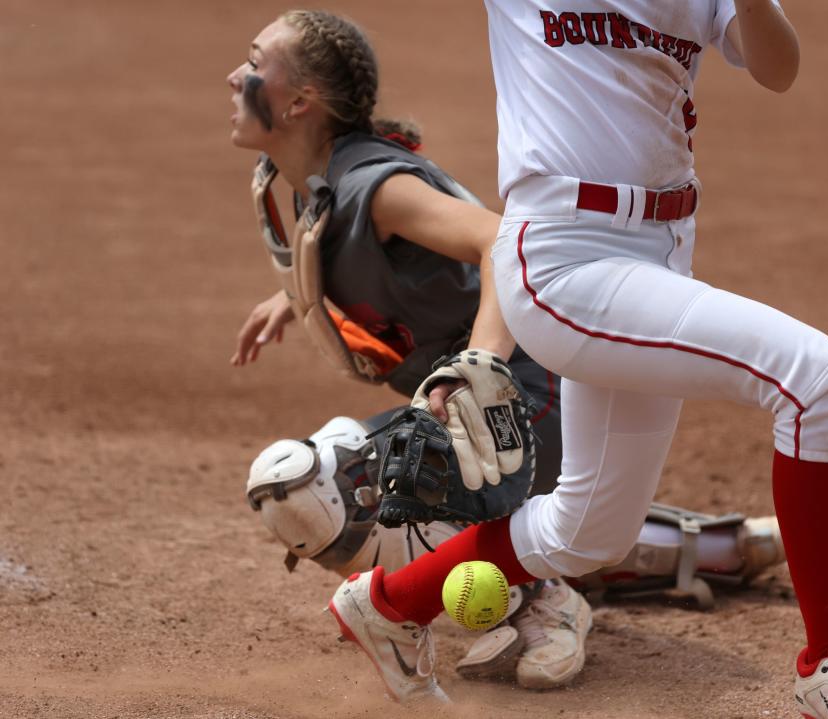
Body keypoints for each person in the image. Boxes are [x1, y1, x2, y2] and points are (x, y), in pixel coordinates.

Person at [323, 3, 828, 717]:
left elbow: (779, 69)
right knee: (815, 381)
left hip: (657, 256)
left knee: (589, 529)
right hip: (561, 261)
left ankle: (387, 604)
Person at [226, 10, 788, 695]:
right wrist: (299, 296)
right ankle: (669, 551)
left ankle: (542, 597)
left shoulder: (374, 188)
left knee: (301, 487)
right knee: (531, 513)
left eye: (255, 62)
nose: (237, 75)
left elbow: (502, 244)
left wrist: (481, 365)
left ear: (297, 102)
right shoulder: (318, 185)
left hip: (525, 393)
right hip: (493, 413)